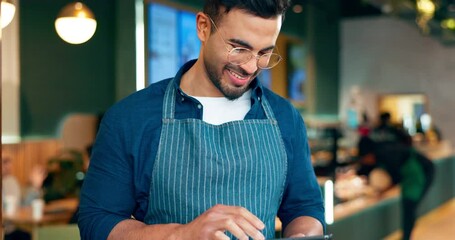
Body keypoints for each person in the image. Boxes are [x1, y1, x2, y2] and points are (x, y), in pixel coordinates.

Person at [78, 1, 325, 239]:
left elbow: (305, 208)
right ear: (203, 27)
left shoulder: (285, 118)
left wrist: (304, 233)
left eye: (264, 53)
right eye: (239, 49)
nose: (250, 67)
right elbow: (97, 222)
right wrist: (180, 235)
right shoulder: (131, 117)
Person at [357, 136, 434, 240]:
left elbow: (396, 177)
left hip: (420, 174)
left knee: (409, 205)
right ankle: (407, 234)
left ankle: (406, 236)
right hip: (413, 177)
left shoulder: (386, 153)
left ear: (368, 154)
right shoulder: (380, 150)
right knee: (409, 207)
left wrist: (383, 190)